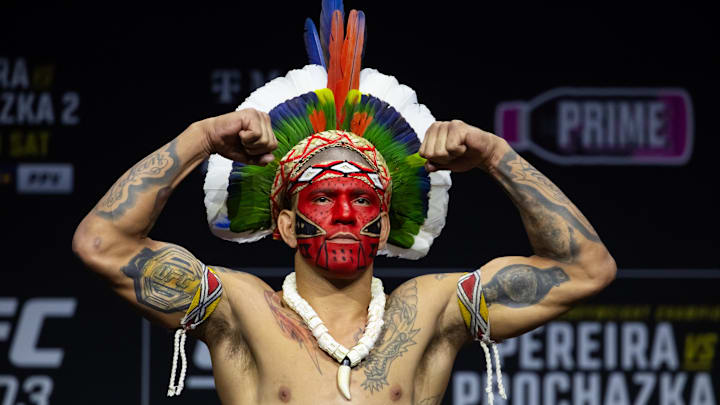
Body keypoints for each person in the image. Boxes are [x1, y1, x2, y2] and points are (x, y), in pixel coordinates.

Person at [72, 3, 616, 405]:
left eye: (361, 198)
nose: (344, 215)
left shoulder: (429, 312)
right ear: (286, 224)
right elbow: (102, 244)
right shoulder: (240, 311)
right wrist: (201, 138)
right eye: (323, 197)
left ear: (385, 226)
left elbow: (586, 270)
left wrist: (497, 156)